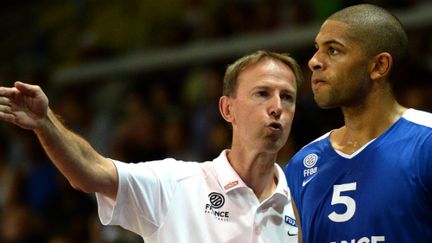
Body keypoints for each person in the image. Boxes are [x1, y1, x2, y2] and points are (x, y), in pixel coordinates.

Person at [0, 50, 303, 243]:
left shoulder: (303, 201)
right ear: (227, 109)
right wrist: (46, 122)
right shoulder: (175, 184)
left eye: (287, 97)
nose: (277, 107)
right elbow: (89, 172)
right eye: (262, 93)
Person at [284, 4, 432, 243]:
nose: (314, 62)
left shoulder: (426, 141)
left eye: (333, 50)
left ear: (379, 66)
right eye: (316, 49)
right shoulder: (302, 164)